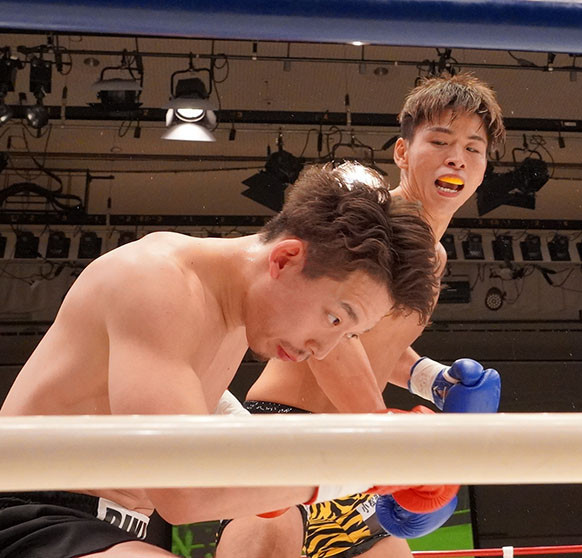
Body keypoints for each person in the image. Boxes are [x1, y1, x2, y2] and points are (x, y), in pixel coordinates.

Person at [0, 162, 444, 558]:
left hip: (107, 529)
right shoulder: (157, 283)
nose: (324, 349)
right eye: (334, 318)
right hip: (26, 516)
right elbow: (185, 494)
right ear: (286, 258)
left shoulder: (228, 316)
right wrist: (366, 466)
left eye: (348, 334)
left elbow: (192, 424)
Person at [216, 73, 505, 558]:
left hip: (360, 456)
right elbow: (327, 334)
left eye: (473, 149)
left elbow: (376, 344)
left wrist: (432, 380)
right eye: (440, 141)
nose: (457, 157)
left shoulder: (434, 261)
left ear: (482, 170)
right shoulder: (365, 221)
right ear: (402, 152)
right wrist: (383, 436)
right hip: (289, 433)